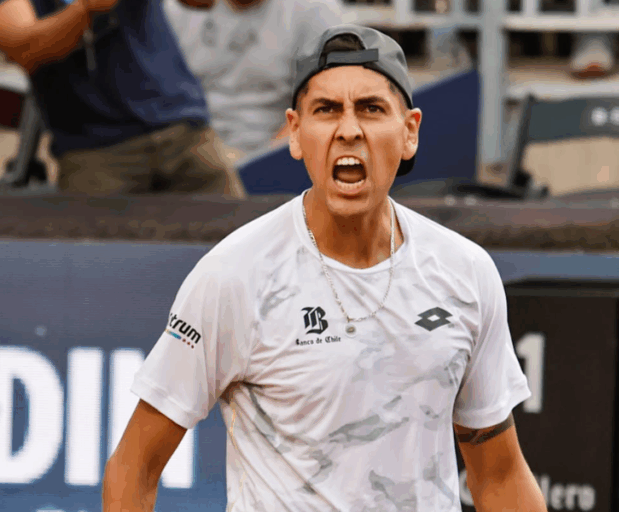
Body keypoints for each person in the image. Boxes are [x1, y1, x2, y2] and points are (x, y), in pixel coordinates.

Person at [103, 24, 547, 512]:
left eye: (372, 109)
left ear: (410, 132)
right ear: (295, 133)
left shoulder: (465, 272)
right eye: (327, 110)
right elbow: (134, 467)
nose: (349, 129)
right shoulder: (233, 275)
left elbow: (499, 475)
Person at [0, 0, 245, 197]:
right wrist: (84, 10)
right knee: (96, 256)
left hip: (185, 131)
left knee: (240, 244)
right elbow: (24, 49)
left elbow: (202, 2)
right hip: (95, 151)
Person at [163, 0, 346, 158]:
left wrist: (268, 162)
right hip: (192, 145)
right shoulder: (176, 9)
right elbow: (164, 95)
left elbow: (326, 104)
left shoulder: (316, 10)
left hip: (270, 147)